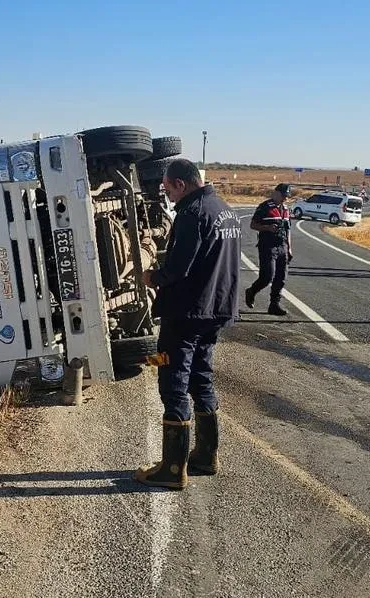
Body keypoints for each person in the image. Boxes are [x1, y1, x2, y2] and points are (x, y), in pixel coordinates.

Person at [136, 158, 242, 490]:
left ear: (181, 184)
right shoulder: (224, 209)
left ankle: (171, 468)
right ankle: (206, 456)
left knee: (173, 381)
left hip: (186, 313)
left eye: (168, 188)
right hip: (215, 310)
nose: (166, 195)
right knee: (202, 379)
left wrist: (153, 277)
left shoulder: (191, 214)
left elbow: (179, 268)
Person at [244, 184, 294, 316]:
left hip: (282, 246)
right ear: (276, 193)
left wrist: (289, 248)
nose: (285, 199)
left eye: (287, 197)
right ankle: (251, 291)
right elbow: (253, 225)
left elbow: (288, 229)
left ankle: (274, 305)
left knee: (281, 277)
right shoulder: (265, 207)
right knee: (267, 277)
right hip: (268, 246)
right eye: (283, 196)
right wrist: (267, 228)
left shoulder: (286, 209)